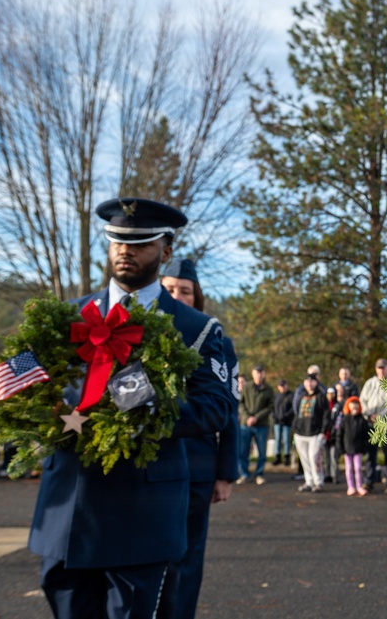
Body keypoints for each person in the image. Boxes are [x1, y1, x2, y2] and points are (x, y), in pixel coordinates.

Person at [28, 197, 234, 619]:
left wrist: (136, 400)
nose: (126, 250)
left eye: (140, 243)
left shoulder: (195, 328)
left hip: (143, 510)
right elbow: (29, 386)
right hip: (70, 504)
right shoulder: (68, 316)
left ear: (166, 251)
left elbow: (215, 408)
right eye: (118, 241)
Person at [157, 257, 240, 619]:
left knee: (185, 560)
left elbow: (229, 411)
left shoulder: (217, 340)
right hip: (149, 463)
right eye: (169, 289)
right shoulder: (136, 334)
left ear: (197, 296)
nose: (177, 296)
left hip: (197, 465)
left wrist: (225, 472)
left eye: (184, 291)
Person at [291, 374, 330, 492]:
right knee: (304, 459)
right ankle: (309, 482)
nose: (309, 383)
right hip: (300, 433)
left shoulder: (321, 397)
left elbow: (326, 415)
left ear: (316, 382)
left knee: (314, 458)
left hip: (315, 433)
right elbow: (297, 413)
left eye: (311, 381)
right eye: (306, 381)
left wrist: (324, 431)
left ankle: (318, 482)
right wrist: (295, 429)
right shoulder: (301, 396)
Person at [359, 358, 387, 491]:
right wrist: (368, 414)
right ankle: (369, 481)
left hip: (386, 424)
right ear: (376, 369)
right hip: (370, 423)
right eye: (379, 367)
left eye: (383, 367)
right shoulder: (369, 383)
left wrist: (380, 416)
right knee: (370, 455)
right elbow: (362, 400)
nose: (381, 370)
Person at [238, 364, 273, 485]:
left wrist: (256, 418)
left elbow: (270, 407)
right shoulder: (246, 387)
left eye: (261, 372)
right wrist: (247, 417)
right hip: (245, 424)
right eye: (256, 372)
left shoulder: (268, 389)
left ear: (263, 374)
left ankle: (259, 474)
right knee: (243, 451)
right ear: (253, 374)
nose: (259, 375)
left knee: (262, 452)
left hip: (261, 425)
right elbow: (241, 403)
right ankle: (244, 474)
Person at [337, 396, 370, 496]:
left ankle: (359, 486)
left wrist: (364, 447)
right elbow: (339, 435)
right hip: (347, 448)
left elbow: (366, 435)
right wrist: (341, 448)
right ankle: (351, 486)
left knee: (358, 468)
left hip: (358, 448)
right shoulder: (344, 420)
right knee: (349, 468)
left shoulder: (362, 421)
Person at [272, 379, 295, 466]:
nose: (282, 388)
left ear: (286, 386)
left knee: (286, 440)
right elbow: (273, 408)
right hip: (277, 422)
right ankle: (277, 456)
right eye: (280, 386)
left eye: (283, 385)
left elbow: (292, 409)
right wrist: (275, 416)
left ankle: (286, 457)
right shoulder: (276, 396)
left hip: (287, 422)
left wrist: (286, 416)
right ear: (278, 387)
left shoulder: (290, 395)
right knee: (277, 439)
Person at [323, 386, 343, 483]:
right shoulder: (324, 405)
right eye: (328, 394)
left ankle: (335, 475)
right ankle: (327, 474)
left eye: (332, 394)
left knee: (333, 456)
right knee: (326, 456)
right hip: (325, 435)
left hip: (334, 435)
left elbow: (339, 420)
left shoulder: (338, 406)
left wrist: (335, 432)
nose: (330, 396)